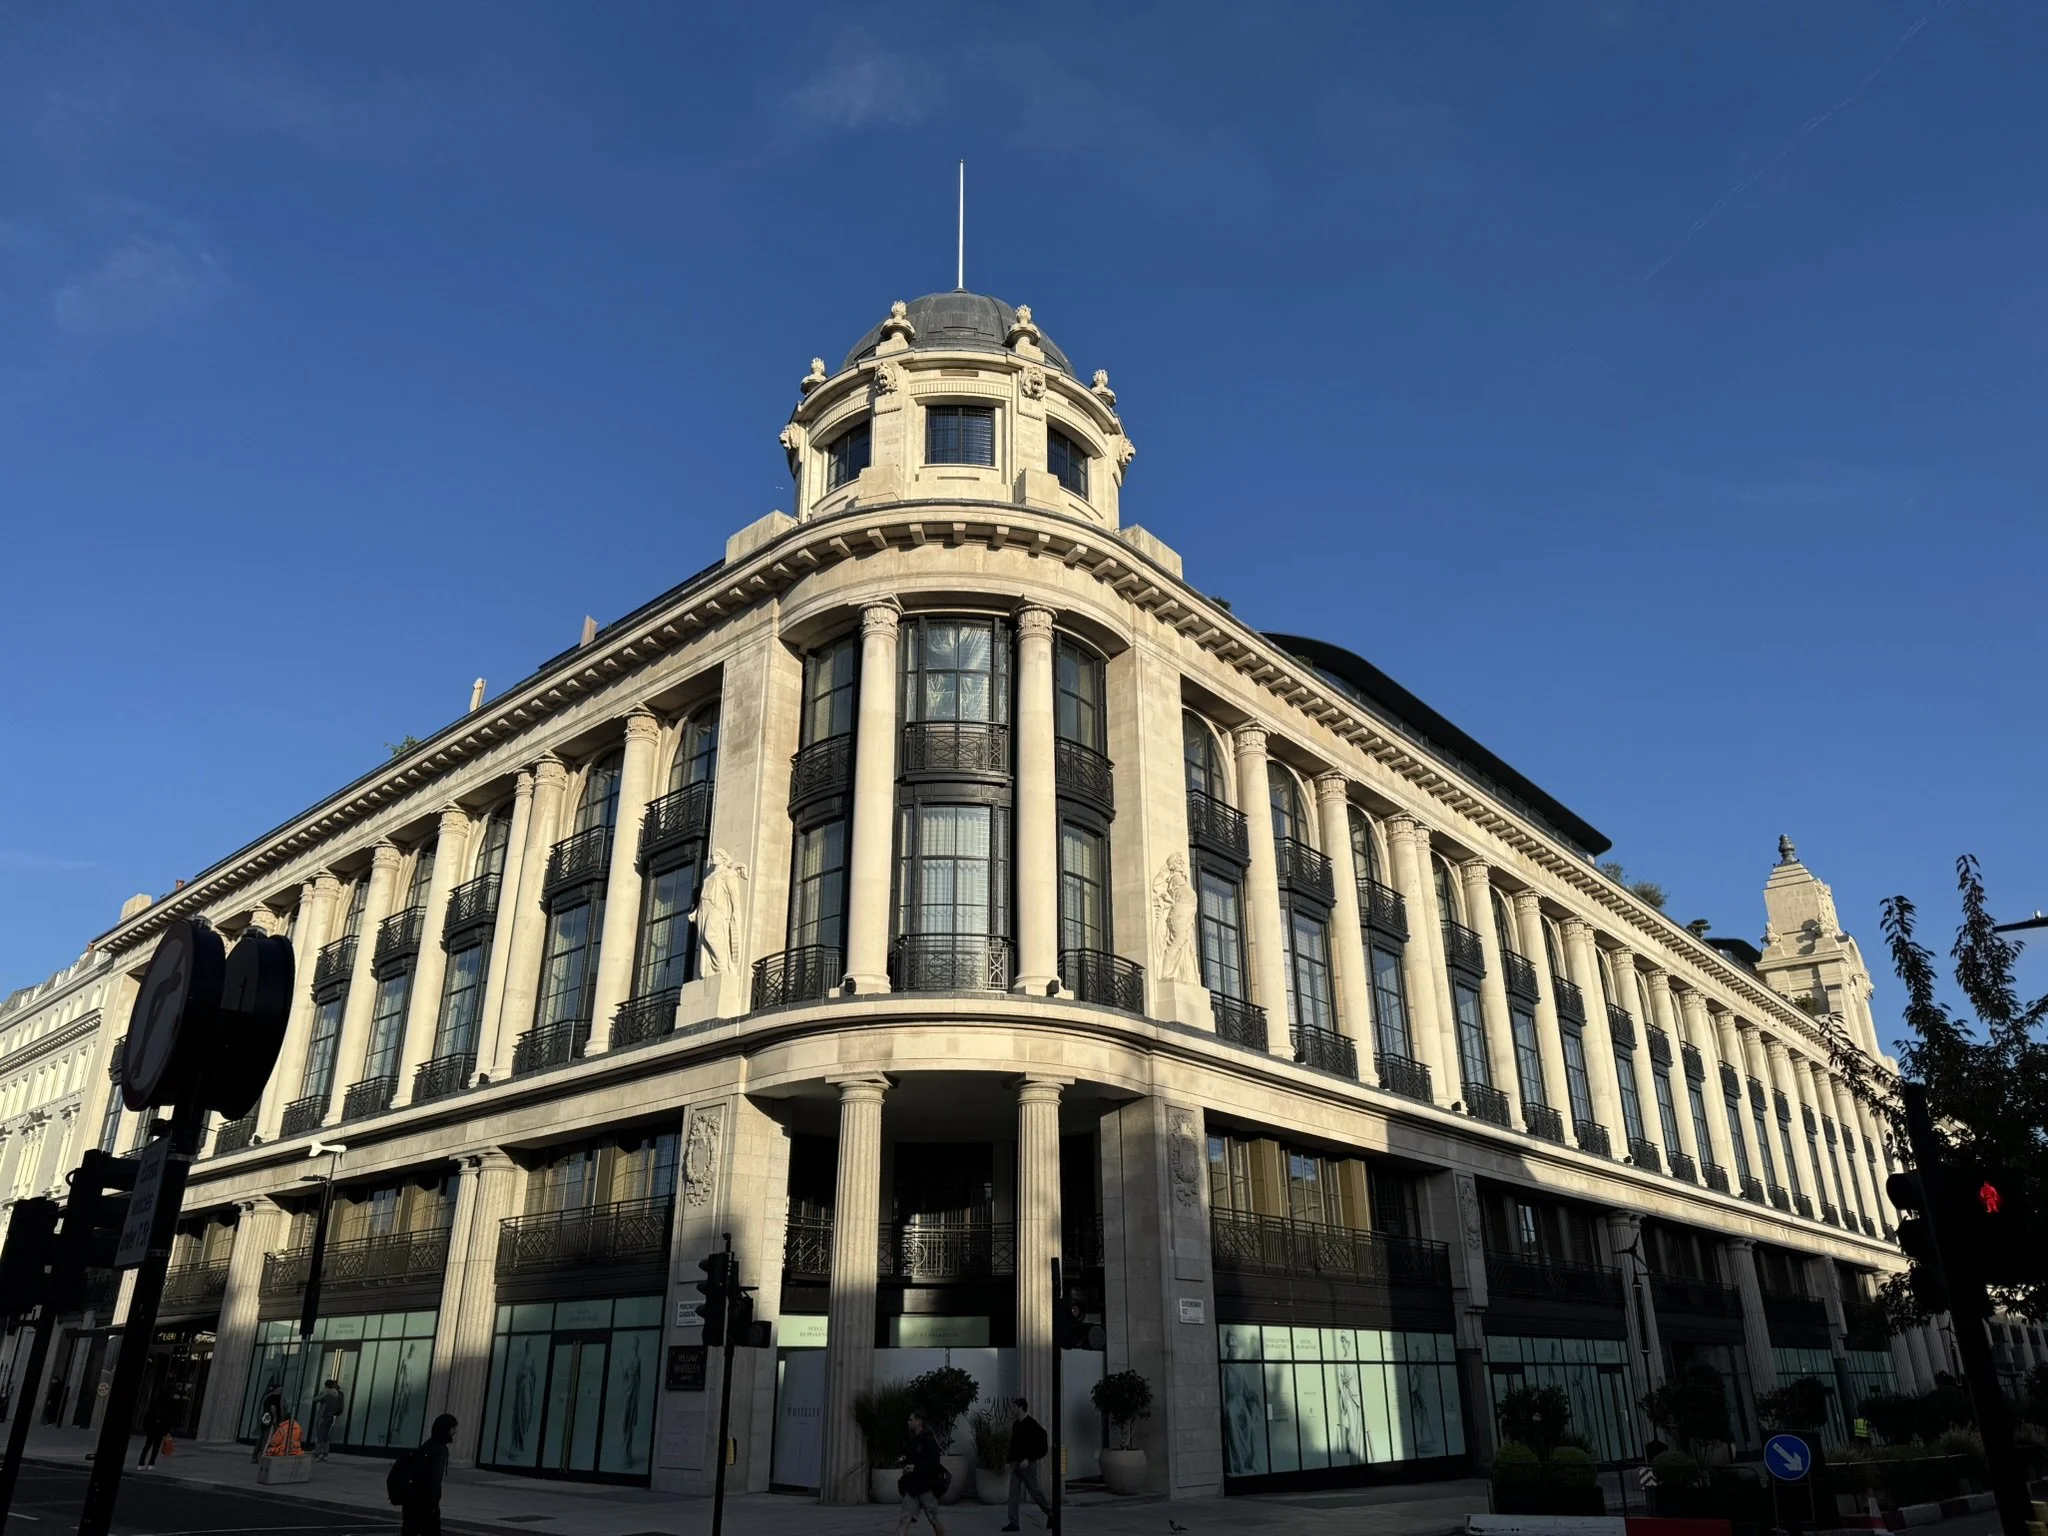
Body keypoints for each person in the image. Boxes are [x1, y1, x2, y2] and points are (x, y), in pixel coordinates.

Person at [400, 1412, 458, 1536]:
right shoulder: (440, 1449)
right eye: (453, 1429)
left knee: (409, 1531)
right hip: (425, 1501)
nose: (455, 1432)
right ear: (446, 1429)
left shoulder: (427, 1445)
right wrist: (434, 1503)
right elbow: (435, 1478)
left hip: (411, 1498)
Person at [1003, 1396, 1055, 1532]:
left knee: (1035, 1491)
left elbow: (1042, 1445)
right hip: (1016, 1465)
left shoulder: (1032, 1425)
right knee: (1013, 1493)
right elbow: (1013, 1445)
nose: (1012, 1409)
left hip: (1027, 1465)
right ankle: (1013, 1523)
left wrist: (1030, 1458)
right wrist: (1009, 1461)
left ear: (1021, 1407)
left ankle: (1051, 1513)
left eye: (1014, 1406)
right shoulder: (1016, 1425)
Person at [895, 1409, 947, 1536]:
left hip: (926, 1488)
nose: (908, 1422)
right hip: (912, 1487)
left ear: (918, 1422)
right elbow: (910, 1459)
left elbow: (934, 1464)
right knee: (904, 1519)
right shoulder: (913, 1440)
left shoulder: (928, 1440)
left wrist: (915, 1468)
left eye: (911, 1419)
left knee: (934, 1519)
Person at [137, 1387, 173, 1469]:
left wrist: (146, 1428)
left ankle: (141, 1463)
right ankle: (151, 1464)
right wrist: (167, 1431)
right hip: (160, 1430)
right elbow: (169, 1420)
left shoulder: (154, 1405)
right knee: (156, 1447)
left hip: (151, 1429)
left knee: (147, 1445)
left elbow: (147, 1418)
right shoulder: (167, 1407)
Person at [310, 1378, 345, 1460]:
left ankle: (317, 1454)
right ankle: (325, 1454)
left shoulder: (327, 1393)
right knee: (326, 1436)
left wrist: (323, 1392)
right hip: (331, 1416)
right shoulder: (337, 1394)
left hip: (323, 1416)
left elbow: (315, 1399)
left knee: (319, 1436)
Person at [252, 1380, 283, 1463]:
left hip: (265, 1420)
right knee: (266, 1439)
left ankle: (254, 1456)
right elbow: (273, 1409)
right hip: (271, 1421)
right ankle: (262, 1455)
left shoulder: (268, 1397)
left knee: (261, 1438)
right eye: (280, 1389)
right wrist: (275, 1420)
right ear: (276, 1390)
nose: (281, 1391)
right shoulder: (275, 1398)